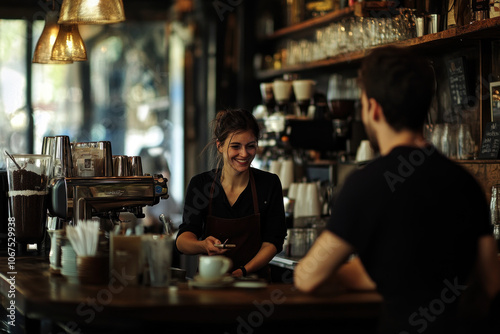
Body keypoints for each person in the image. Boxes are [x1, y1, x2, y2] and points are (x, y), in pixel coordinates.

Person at [294, 46, 500, 334]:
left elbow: (308, 277)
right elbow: (491, 281)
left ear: (374, 109)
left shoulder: (364, 184)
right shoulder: (465, 182)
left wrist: (349, 275)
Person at [176, 108, 287, 280]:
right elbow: (183, 241)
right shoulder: (201, 185)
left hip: (254, 284)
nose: (244, 154)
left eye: (251, 146)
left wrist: (242, 272)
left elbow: (273, 242)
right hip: (212, 283)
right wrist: (203, 245)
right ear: (219, 146)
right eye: (236, 146)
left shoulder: (269, 184)